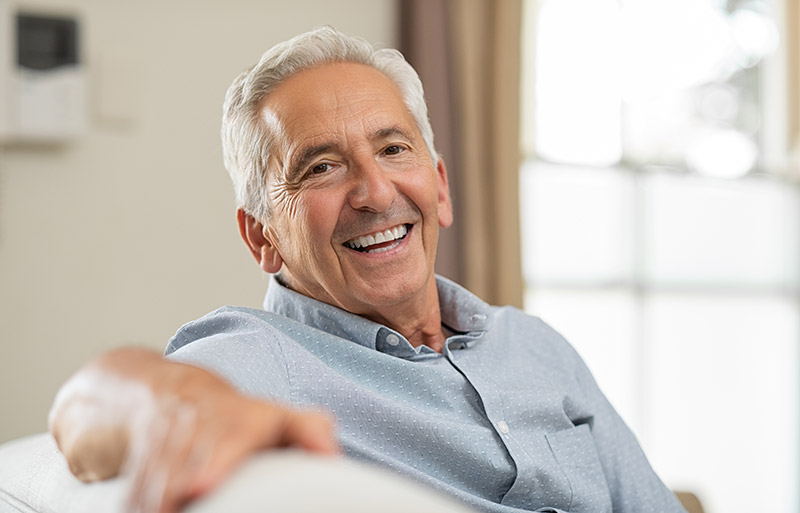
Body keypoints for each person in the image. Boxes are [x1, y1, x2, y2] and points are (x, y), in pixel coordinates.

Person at [49, 27, 687, 513]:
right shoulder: (261, 362)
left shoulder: (538, 347)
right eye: (321, 167)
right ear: (262, 237)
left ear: (439, 187)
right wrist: (180, 404)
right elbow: (83, 408)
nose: (376, 192)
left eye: (393, 148)